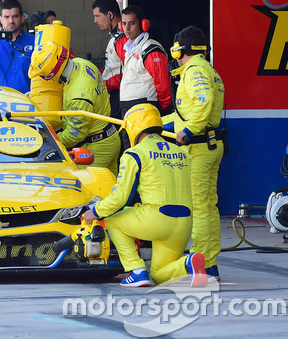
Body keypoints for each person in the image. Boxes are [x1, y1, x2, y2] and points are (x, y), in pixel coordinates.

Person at [83, 104, 207, 288]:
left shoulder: (135, 153)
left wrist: (95, 211)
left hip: (156, 220)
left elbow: (120, 198)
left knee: (111, 218)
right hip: (184, 223)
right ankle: (187, 264)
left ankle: (136, 270)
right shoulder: (181, 153)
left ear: (133, 126)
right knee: (159, 275)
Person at [163, 26, 225, 281]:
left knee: (200, 208)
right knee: (208, 207)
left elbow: (202, 101)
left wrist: (187, 131)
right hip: (209, 144)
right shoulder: (207, 69)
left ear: (179, 49)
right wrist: (153, 121)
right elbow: (185, 112)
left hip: (198, 147)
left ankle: (202, 262)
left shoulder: (195, 70)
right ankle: (210, 264)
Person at [29, 42, 120, 173]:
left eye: (43, 76)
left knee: (81, 187)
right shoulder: (82, 63)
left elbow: (75, 134)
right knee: (110, 190)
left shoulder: (78, 96)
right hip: (109, 137)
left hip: (97, 149)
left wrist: (49, 142)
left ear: (51, 74)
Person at [119, 5, 172, 117]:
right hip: (127, 107)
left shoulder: (151, 49)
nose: (127, 28)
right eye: (124, 24)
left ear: (143, 24)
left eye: (132, 23)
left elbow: (163, 84)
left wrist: (163, 109)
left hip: (145, 107)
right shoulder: (127, 48)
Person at [91, 0, 126, 118]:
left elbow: (130, 72)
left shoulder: (123, 38)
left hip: (121, 98)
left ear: (110, 15)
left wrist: (105, 82)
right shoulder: (116, 37)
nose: (95, 21)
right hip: (116, 97)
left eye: (97, 16)